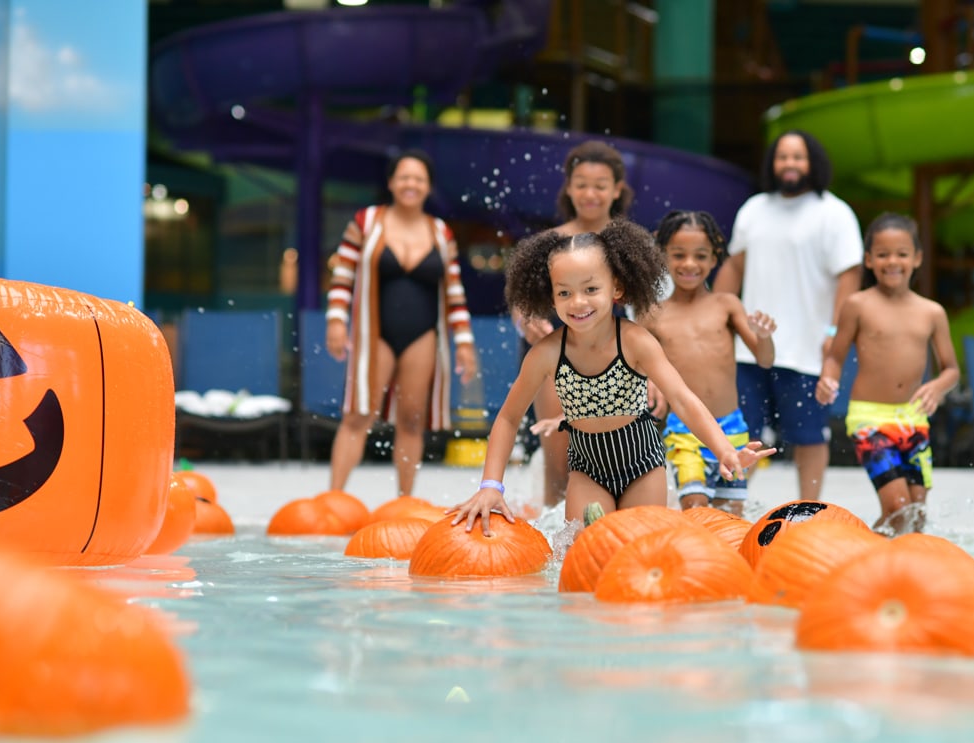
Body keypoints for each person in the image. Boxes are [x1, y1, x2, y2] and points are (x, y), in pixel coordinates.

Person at [450, 219, 774, 531]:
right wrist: (491, 486)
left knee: (638, 552)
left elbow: (683, 400)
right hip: (587, 470)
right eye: (564, 293)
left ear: (616, 287)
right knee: (582, 551)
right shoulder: (546, 354)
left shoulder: (634, 341)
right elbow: (507, 419)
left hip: (642, 465)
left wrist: (724, 451)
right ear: (550, 296)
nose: (578, 302)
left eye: (591, 288)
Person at [713, 129, 864, 502]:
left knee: (809, 436)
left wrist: (834, 330)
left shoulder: (835, 212)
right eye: (783, 157)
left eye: (798, 156)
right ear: (772, 163)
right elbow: (735, 264)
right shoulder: (754, 208)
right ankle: (733, 507)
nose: (790, 164)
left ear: (812, 162)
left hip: (807, 349)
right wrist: (714, 312)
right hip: (749, 349)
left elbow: (850, 276)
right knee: (742, 432)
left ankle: (809, 507)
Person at [324, 149, 477, 497]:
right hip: (375, 332)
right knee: (358, 414)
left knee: (412, 419)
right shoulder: (366, 221)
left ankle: (404, 501)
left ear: (428, 187)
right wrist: (336, 322)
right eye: (404, 177)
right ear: (392, 183)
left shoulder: (442, 233)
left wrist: (464, 342)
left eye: (419, 179)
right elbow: (342, 278)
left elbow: (454, 293)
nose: (411, 184)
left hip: (423, 335)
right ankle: (332, 499)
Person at [512, 140, 651, 510]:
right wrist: (527, 322)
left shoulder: (628, 245)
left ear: (617, 189)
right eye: (582, 184)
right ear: (569, 188)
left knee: (627, 455)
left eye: (600, 185)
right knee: (560, 464)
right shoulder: (549, 243)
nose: (590, 193)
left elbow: (651, 311)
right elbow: (522, 305)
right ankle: (554, 538)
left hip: (622, 360)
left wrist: (653, 373)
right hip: (557, 359)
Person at [815, 212, 960, 534]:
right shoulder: (857, 305)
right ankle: (861, 559)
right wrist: (828, 378)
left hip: (913, 417)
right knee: (897, 507)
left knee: (916, 515)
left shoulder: (932, 312)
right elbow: (835, 356)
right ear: (868, 259)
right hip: (869, 419)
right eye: (882, 254)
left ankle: (887, 562)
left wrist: (938, 387)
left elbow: (951, 369)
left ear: (917, 258)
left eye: (901, 254)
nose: (892, 261)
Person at [639, 210, 776, 517]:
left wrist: (764, 337)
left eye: (700, 256)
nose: (690, 264)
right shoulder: (652, 314)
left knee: (731, 515)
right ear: (663, 257)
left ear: (714, 259)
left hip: (732, 429)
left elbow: (765, 360)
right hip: (683, 431)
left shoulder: (726, 305)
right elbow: (636, 363)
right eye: (678, 255)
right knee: (696, 509)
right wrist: (648, 379)